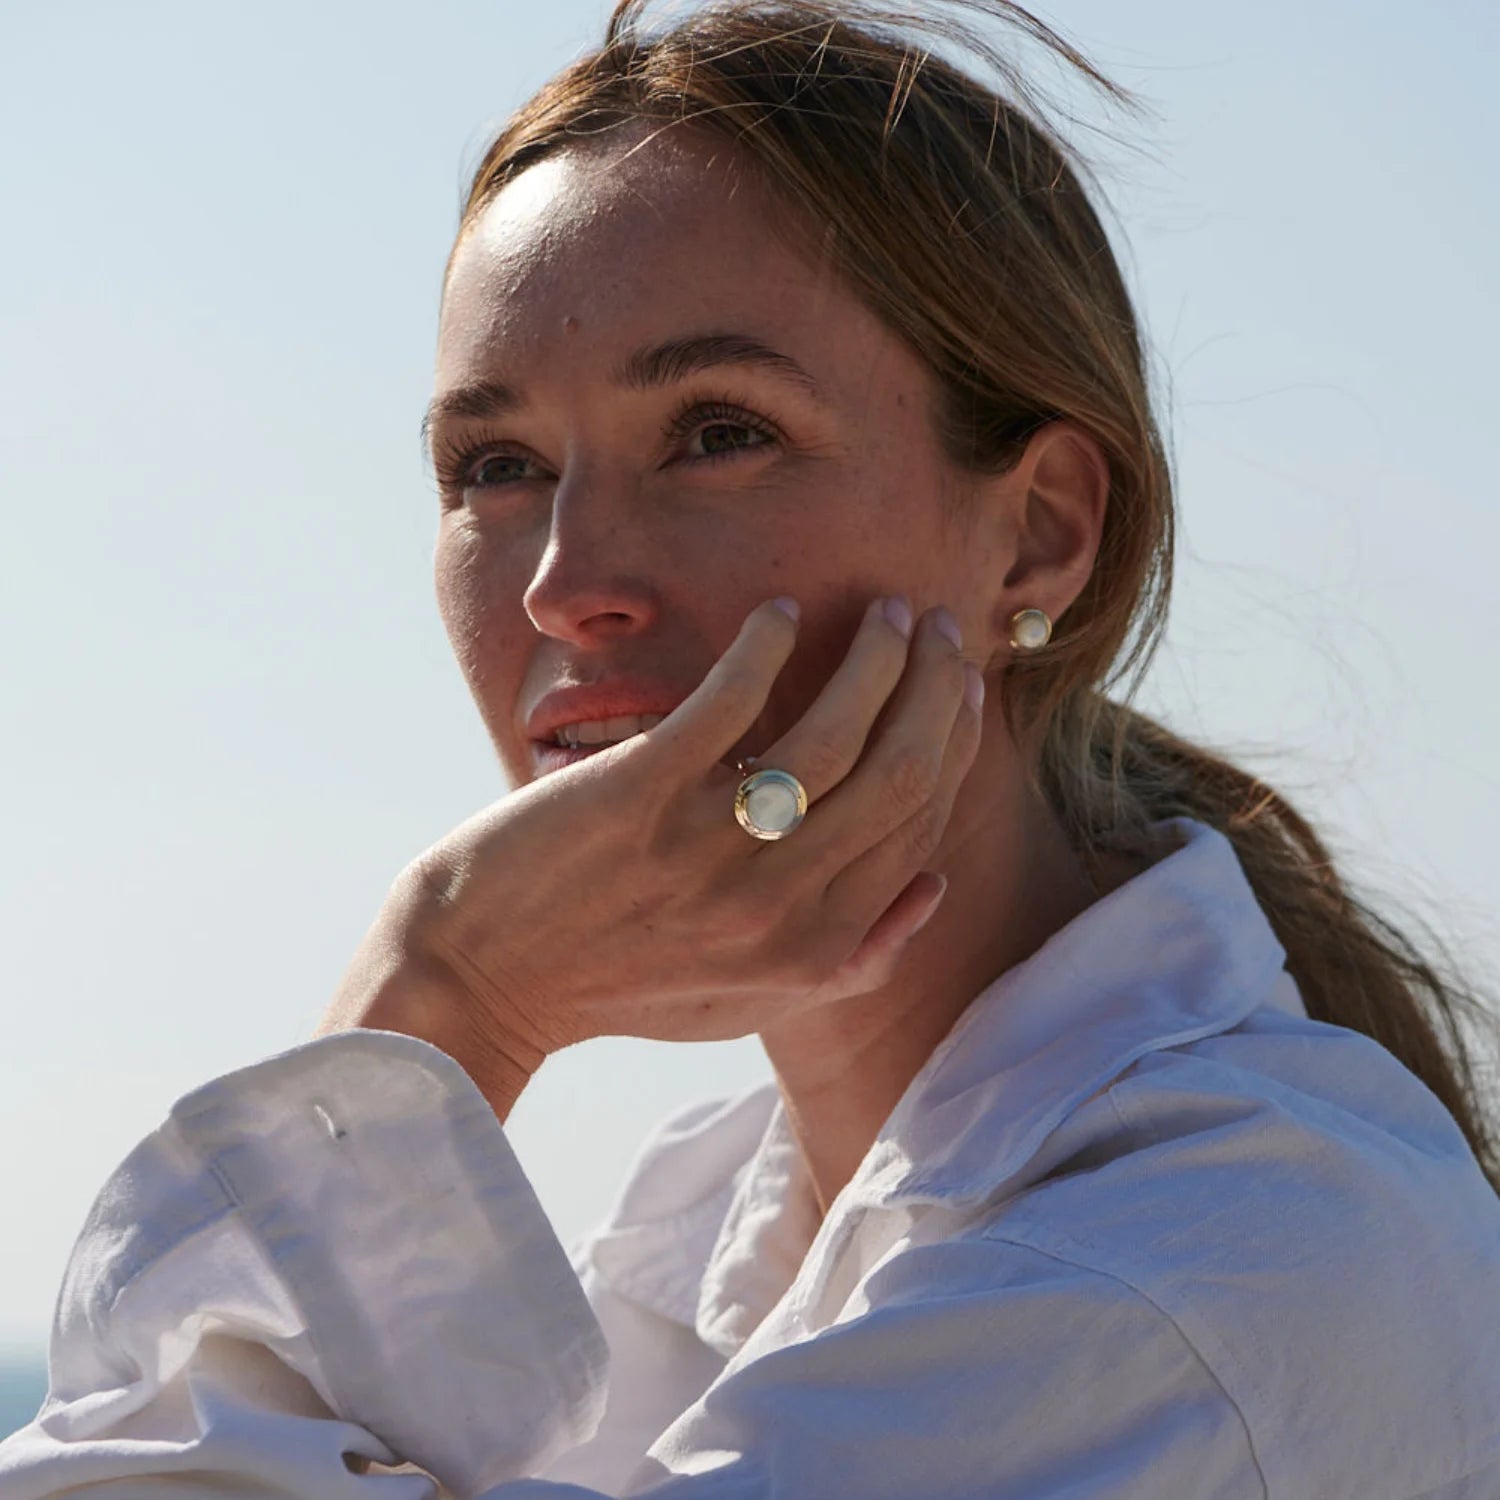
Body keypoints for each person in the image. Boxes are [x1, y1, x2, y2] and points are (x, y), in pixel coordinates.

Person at [3, 1, 1497, 1495]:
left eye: (719, 431)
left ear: (1040, 534)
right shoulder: (706, 1226)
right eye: (498, 467)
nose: (563, 582)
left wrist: (447, 997)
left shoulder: (1195, 1268)